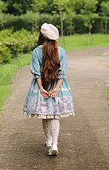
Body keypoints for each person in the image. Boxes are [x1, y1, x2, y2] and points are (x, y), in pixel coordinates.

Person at [23, 23, 75, 156]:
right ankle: (54, 144)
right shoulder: (61, 51)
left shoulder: (36, 51)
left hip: (42, 86)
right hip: (59, 87)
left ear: (41, 36)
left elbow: (36, 73)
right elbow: (62, 73)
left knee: (45, 114)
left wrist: (41, 88)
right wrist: (57, 88)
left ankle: (48, 140)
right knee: (55, 115)